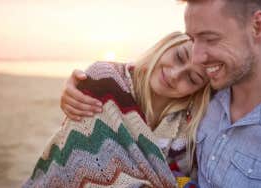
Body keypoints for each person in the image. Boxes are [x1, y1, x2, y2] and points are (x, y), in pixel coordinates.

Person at [61, 0, 261, 187]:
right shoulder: (208, 93)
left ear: (257, 26)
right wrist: (90, 81)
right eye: (192, 39)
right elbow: (138, 84)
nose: (198, 56)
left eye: (210, 38)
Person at [25, 32, 211, 188]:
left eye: (192, 78)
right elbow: (81, 159)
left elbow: (180, 179)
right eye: (179, 57)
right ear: (167, 44)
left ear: (199, 90)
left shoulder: (188, 128)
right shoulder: (105, 81)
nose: (174, 75)